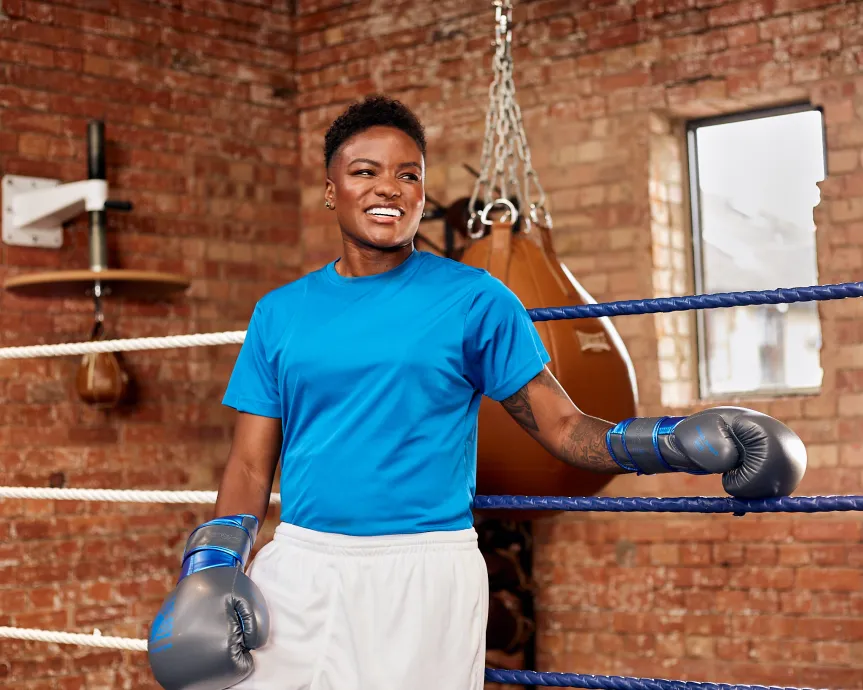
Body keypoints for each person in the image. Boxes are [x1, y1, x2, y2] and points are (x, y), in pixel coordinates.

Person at [146, 95, 806, 690]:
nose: (389, 188)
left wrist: (672, 443)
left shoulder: (476, 299)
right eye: (365, 172)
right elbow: (249, 464)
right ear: (331, 191)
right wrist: (213, 563)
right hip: (301, 562)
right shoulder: (280, 313)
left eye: (408, 175)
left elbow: (562, 427)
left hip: (423, 570)